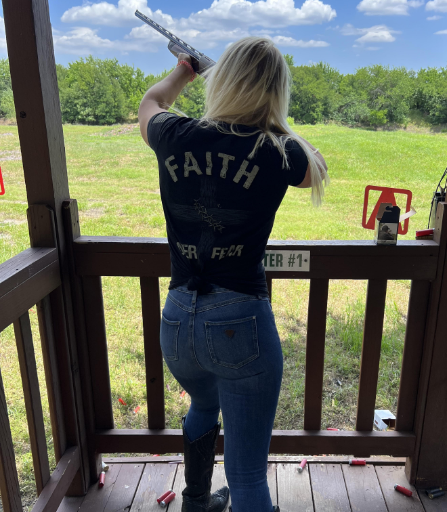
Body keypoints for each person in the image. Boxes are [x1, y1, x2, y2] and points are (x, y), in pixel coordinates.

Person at [138, 37, 329, 512]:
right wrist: (274, 118)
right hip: (240, 318)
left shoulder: (176, 134)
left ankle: (196, 501)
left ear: (221, 81)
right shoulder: (277, 150)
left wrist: (186, 70)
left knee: (203, 406)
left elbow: (151, 103)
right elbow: (318, 167)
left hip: (178, 318)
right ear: (275, 92)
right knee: (246, 477)